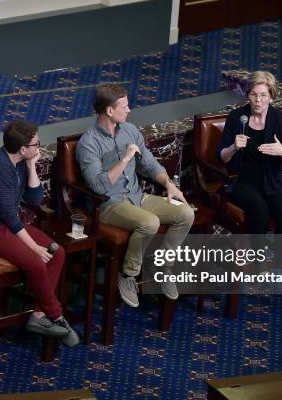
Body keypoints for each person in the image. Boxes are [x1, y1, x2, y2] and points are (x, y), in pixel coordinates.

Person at [76, 84, 195, 308]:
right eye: (125, 106)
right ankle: (128, 274)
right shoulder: (88, 143)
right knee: (149, 222)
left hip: (137, 196)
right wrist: (124, 159)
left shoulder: (130, 130)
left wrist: (168, 183)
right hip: (109, 204)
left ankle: (161, 265)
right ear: (110, 111)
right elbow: (98, 186)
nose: (129, 110)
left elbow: (149, 164)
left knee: (185, 213)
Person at [0, 120, 79, 347]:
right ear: (23, 149)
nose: (40, 148)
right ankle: (56, 315)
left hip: (7, 226)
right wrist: (34, 247)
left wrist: (31, 167)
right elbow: (8, 215)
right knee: (37, 259)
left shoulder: (18, 163)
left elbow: (35, 200)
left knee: (58, 252)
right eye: (36, 144)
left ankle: (38, 316)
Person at [217, 70, 282, 274]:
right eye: (253, 94)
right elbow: (223, 157)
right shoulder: (237, 118)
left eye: (263, 95)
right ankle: (259, 258)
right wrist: (234, 147)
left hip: (272, 178)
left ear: (271, 96)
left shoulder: (279, 119)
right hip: (244, 180)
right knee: (259, 210)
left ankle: (281, 255)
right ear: (248, 95)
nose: (258, 100)